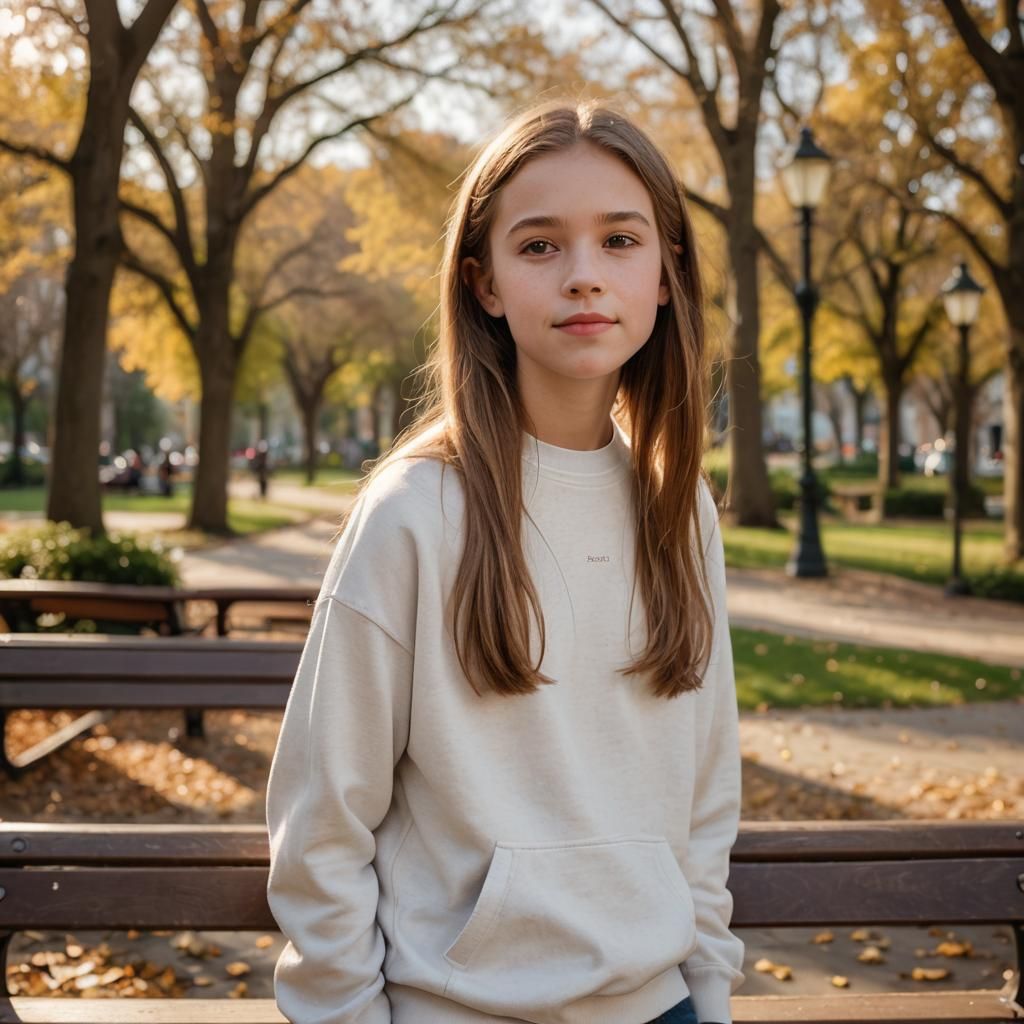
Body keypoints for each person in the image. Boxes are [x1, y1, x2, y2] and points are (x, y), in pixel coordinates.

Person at [265, 100, 744, 1024]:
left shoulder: (679, 509)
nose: (582, 277)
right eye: (538, 246)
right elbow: (323, 820)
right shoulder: (414, 512)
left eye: (619, 240)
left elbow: (705, 799)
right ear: (483, 284)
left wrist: (709, 995)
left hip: (661, 1008)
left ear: (665, 272)